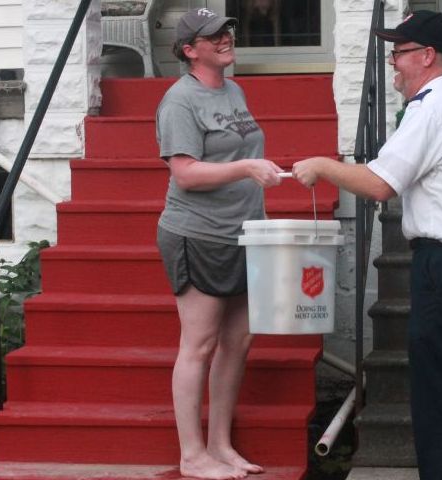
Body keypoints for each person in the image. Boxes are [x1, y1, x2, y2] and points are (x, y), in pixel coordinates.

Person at [292, 10, 442, 480]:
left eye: (399, 52)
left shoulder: (430, 108)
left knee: (440, 398)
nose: (392, 62)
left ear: (428, 56)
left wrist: (322, 165)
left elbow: (379, 184)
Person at [155, 8, 283, 480]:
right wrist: (248, 169)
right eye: (214, 36)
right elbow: (185, 174)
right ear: (190, 50)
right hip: (198, 234)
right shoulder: (179, 102)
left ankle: (220, 445)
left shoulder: (233, 89)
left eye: (227, 30)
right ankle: (191, 456)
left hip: (244, 232)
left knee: (239, 341)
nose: (226, 38)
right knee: (200, 344)